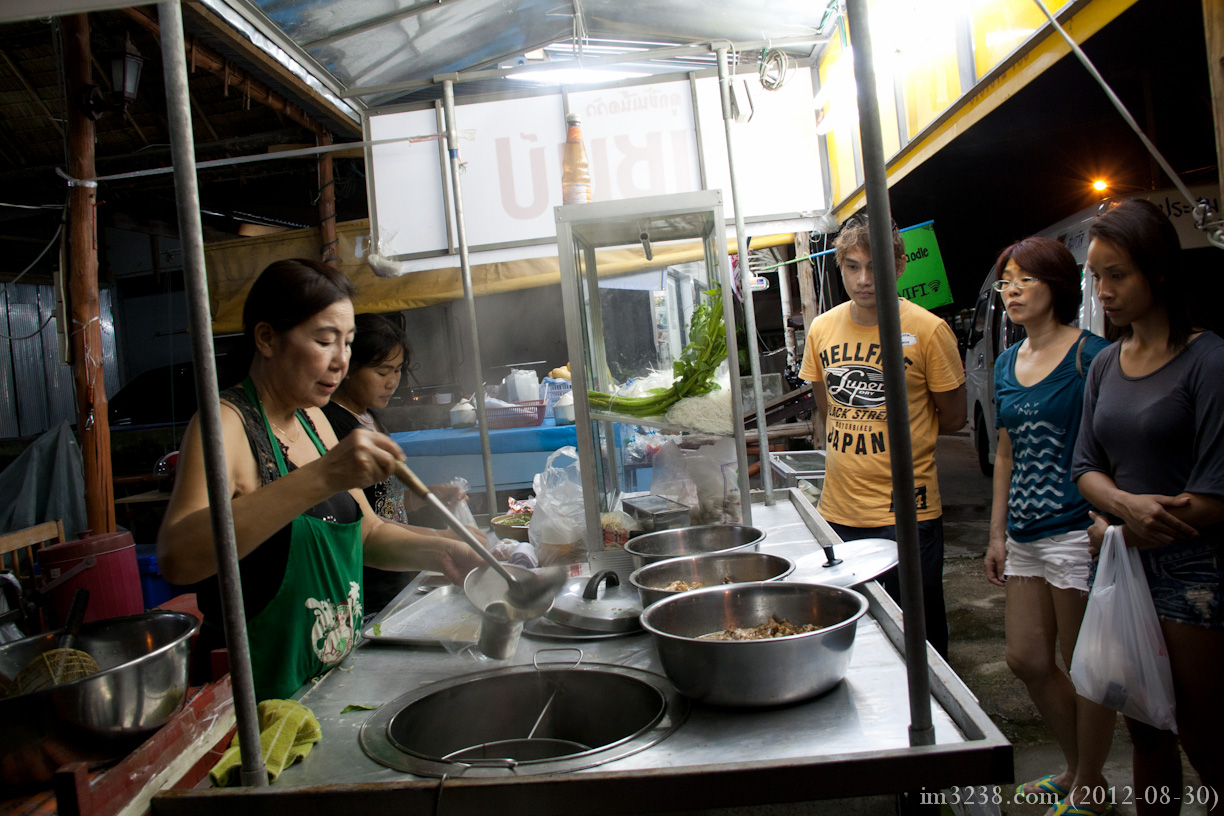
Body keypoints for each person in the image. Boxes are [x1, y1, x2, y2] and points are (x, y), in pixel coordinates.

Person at [157, 259, 485, 701]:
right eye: (324, 340)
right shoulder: (225, 425)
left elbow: (369, 533)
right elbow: (178, 557)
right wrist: (323, 475)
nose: (341, 361)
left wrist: (449, 549)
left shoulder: (314, 419)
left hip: (330, 679)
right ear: (267, 338)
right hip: (258, 697)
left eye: (347, 343)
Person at [1070, 199, 1224, 816]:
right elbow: (1084, 466)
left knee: (1204, 735)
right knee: (1144, 729)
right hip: (1121, 571)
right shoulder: (1105, 363)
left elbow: (1214, 498)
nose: (1103, 291)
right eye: (1096, 276)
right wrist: (1119, 514)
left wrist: (1119, 527)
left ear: (1157, 272)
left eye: (1117, 275)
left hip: (1195, 576)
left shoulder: (1208, 359)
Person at [981, 237, 1116, 804]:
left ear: (1056, 286)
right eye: (1005, 281)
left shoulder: (1091, 356)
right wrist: (996, 534)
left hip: (1074, 529)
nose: (1010, 291)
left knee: (1084, 668)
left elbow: (1114, 443)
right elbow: (1005, 452)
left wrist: (1108, 516)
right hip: (1025, 532)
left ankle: (1087, 784)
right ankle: (1078, 769)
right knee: (1027, 660)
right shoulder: (1009, 362)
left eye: (1023, 280)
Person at [799, 212, 965, 657]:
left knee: (921, 634)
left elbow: (953, 417)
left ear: (900, 265)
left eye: (875, 267)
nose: (864, 279)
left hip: (908, 512)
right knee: (855, 635)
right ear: (840, 267)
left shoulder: (929, 330)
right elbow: (827, 407)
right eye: (853, 266)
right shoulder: (821, 329)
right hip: (839, 508)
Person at [321, 313, 472, 614]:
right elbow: (358, 522)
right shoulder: (335, 428)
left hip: (397, 579)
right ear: (348, 368)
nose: (392, 382)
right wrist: (441, 541)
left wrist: (425, 497)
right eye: (381, 371)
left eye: (397, 370)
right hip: (370, 587)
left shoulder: (369, 417)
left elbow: (380, 503)